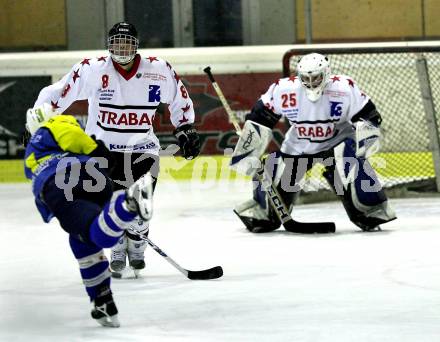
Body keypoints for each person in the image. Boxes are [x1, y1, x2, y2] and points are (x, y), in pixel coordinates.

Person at [32, 22, 200, 275]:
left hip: (143, 151)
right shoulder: (92, 69)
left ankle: (138, 241)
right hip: (101, 153)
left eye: (127, 43)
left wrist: (185, 127)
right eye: (116, 43)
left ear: (136, 45)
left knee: (141, 211)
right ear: (109, 45)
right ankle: (118, 245)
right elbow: (58, 94)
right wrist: (39, 121)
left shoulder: (158, 69)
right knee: (110, 208)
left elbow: (180, 99)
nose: (121, 49)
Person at [232, 53, 396, 233]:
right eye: (306, 78)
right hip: (298, 147)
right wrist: (250, 146)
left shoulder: (344, 88)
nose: (311, 82)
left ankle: (370, 210)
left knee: (350, 163)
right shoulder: (283, 89)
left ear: (326, 73)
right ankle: (265, 213)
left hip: (337, 145)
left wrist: (364, 146)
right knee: (273, 173)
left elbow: (369, 116)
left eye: (316, 77)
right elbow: (260, 118)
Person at [24, 103, 154, 327]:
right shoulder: (47, 140)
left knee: (98, 235)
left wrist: (96, 149)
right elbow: (91, 149)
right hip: (93, 179)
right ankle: (102, 298)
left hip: (63, 182)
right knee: (83, 239)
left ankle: (127, 205)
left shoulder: (50, 127)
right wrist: (101, 153)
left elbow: (71, 133)